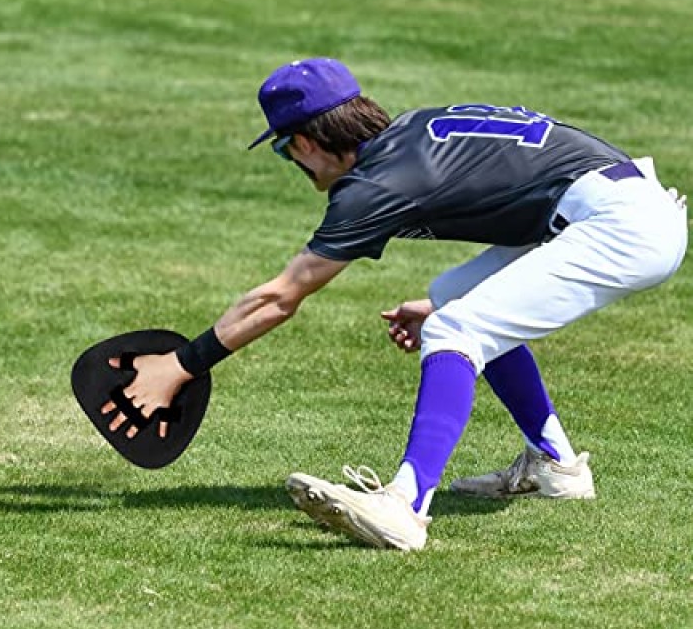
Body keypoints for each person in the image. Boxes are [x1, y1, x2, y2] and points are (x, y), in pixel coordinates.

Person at [102, 57, 688, 552]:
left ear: (305, 141)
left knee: (457, 329)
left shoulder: (373, 186)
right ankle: (555, 465)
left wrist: (182, 365)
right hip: (621, 203)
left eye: (286, 153)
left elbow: (282, 296)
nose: (295, 166)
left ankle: (404, 505)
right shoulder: (414, 133)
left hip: (621, 226)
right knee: (452, 299)